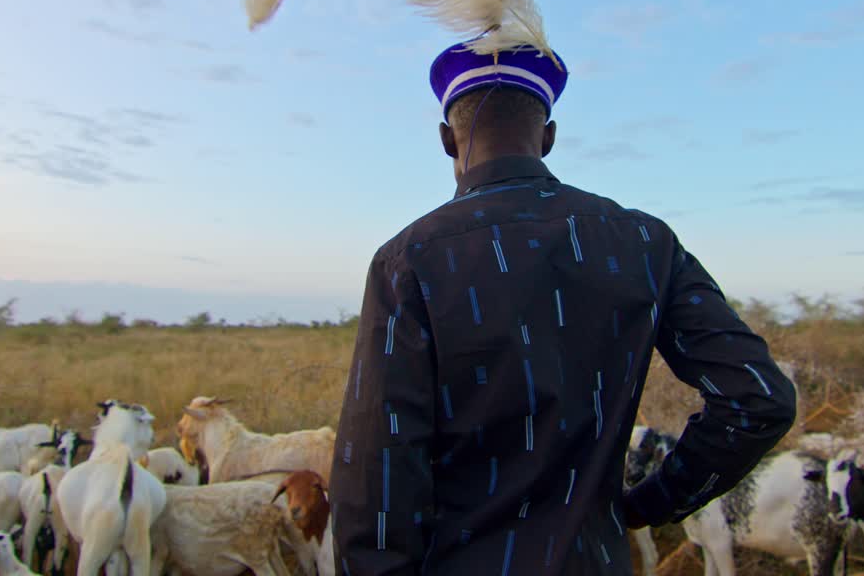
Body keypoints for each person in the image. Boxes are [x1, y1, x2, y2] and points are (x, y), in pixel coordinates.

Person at [329, 42, 798, 575]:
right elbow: (759, 399)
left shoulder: (407, 260)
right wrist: (647, 505)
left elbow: (376, 479)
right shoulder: (646, 242)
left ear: (445, 138)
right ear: (548, 137)